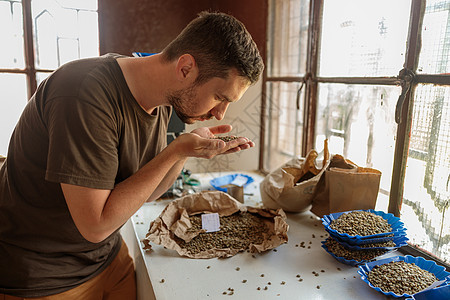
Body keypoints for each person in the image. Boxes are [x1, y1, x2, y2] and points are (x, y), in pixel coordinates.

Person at [0, 11, 263, 299]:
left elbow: (147, 192)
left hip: (106, 258)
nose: (219, 113)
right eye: (220, 97)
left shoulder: (163, 98)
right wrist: (175, 150)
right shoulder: (83, 93)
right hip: (44, 276)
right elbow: (96, 225)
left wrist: (187, 152)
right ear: (185, 68)